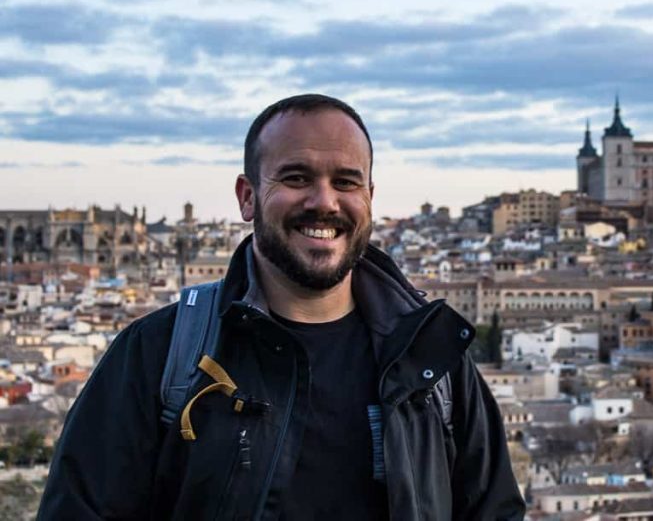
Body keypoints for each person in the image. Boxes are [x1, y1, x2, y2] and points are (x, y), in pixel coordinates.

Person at [38, 94, 526, 520]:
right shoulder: (157, 358)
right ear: (247, 197)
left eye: (347, 182)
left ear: (370, 199)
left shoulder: (434, 362)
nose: (324, 202)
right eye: (296, 177)